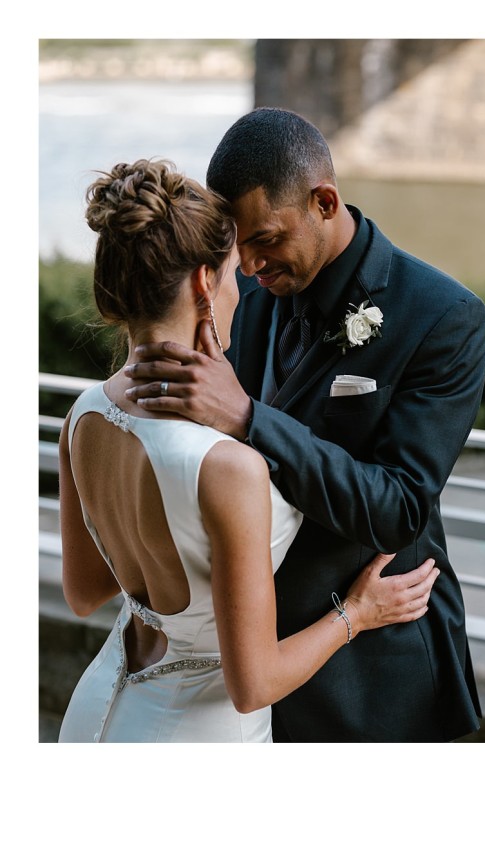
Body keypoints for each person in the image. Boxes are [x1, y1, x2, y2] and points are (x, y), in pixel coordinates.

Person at [123, 108, 485, 741]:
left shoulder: (445, 318)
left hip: (374, 672)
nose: (247, 264)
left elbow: (399, 508)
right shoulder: (251, 298)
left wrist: (246, 417)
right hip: (258, 657)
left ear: (325, 201)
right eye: (236, 244)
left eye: (264, 238)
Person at [58, 159, 440, 743]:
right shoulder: (229, 465)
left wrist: (159, 558)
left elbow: (85, 594)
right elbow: (253, 685)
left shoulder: (81, 415)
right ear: (204, 284)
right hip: (195, 734)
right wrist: (357, 615)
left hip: (99, 708)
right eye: (234, 272)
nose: (245, 287)